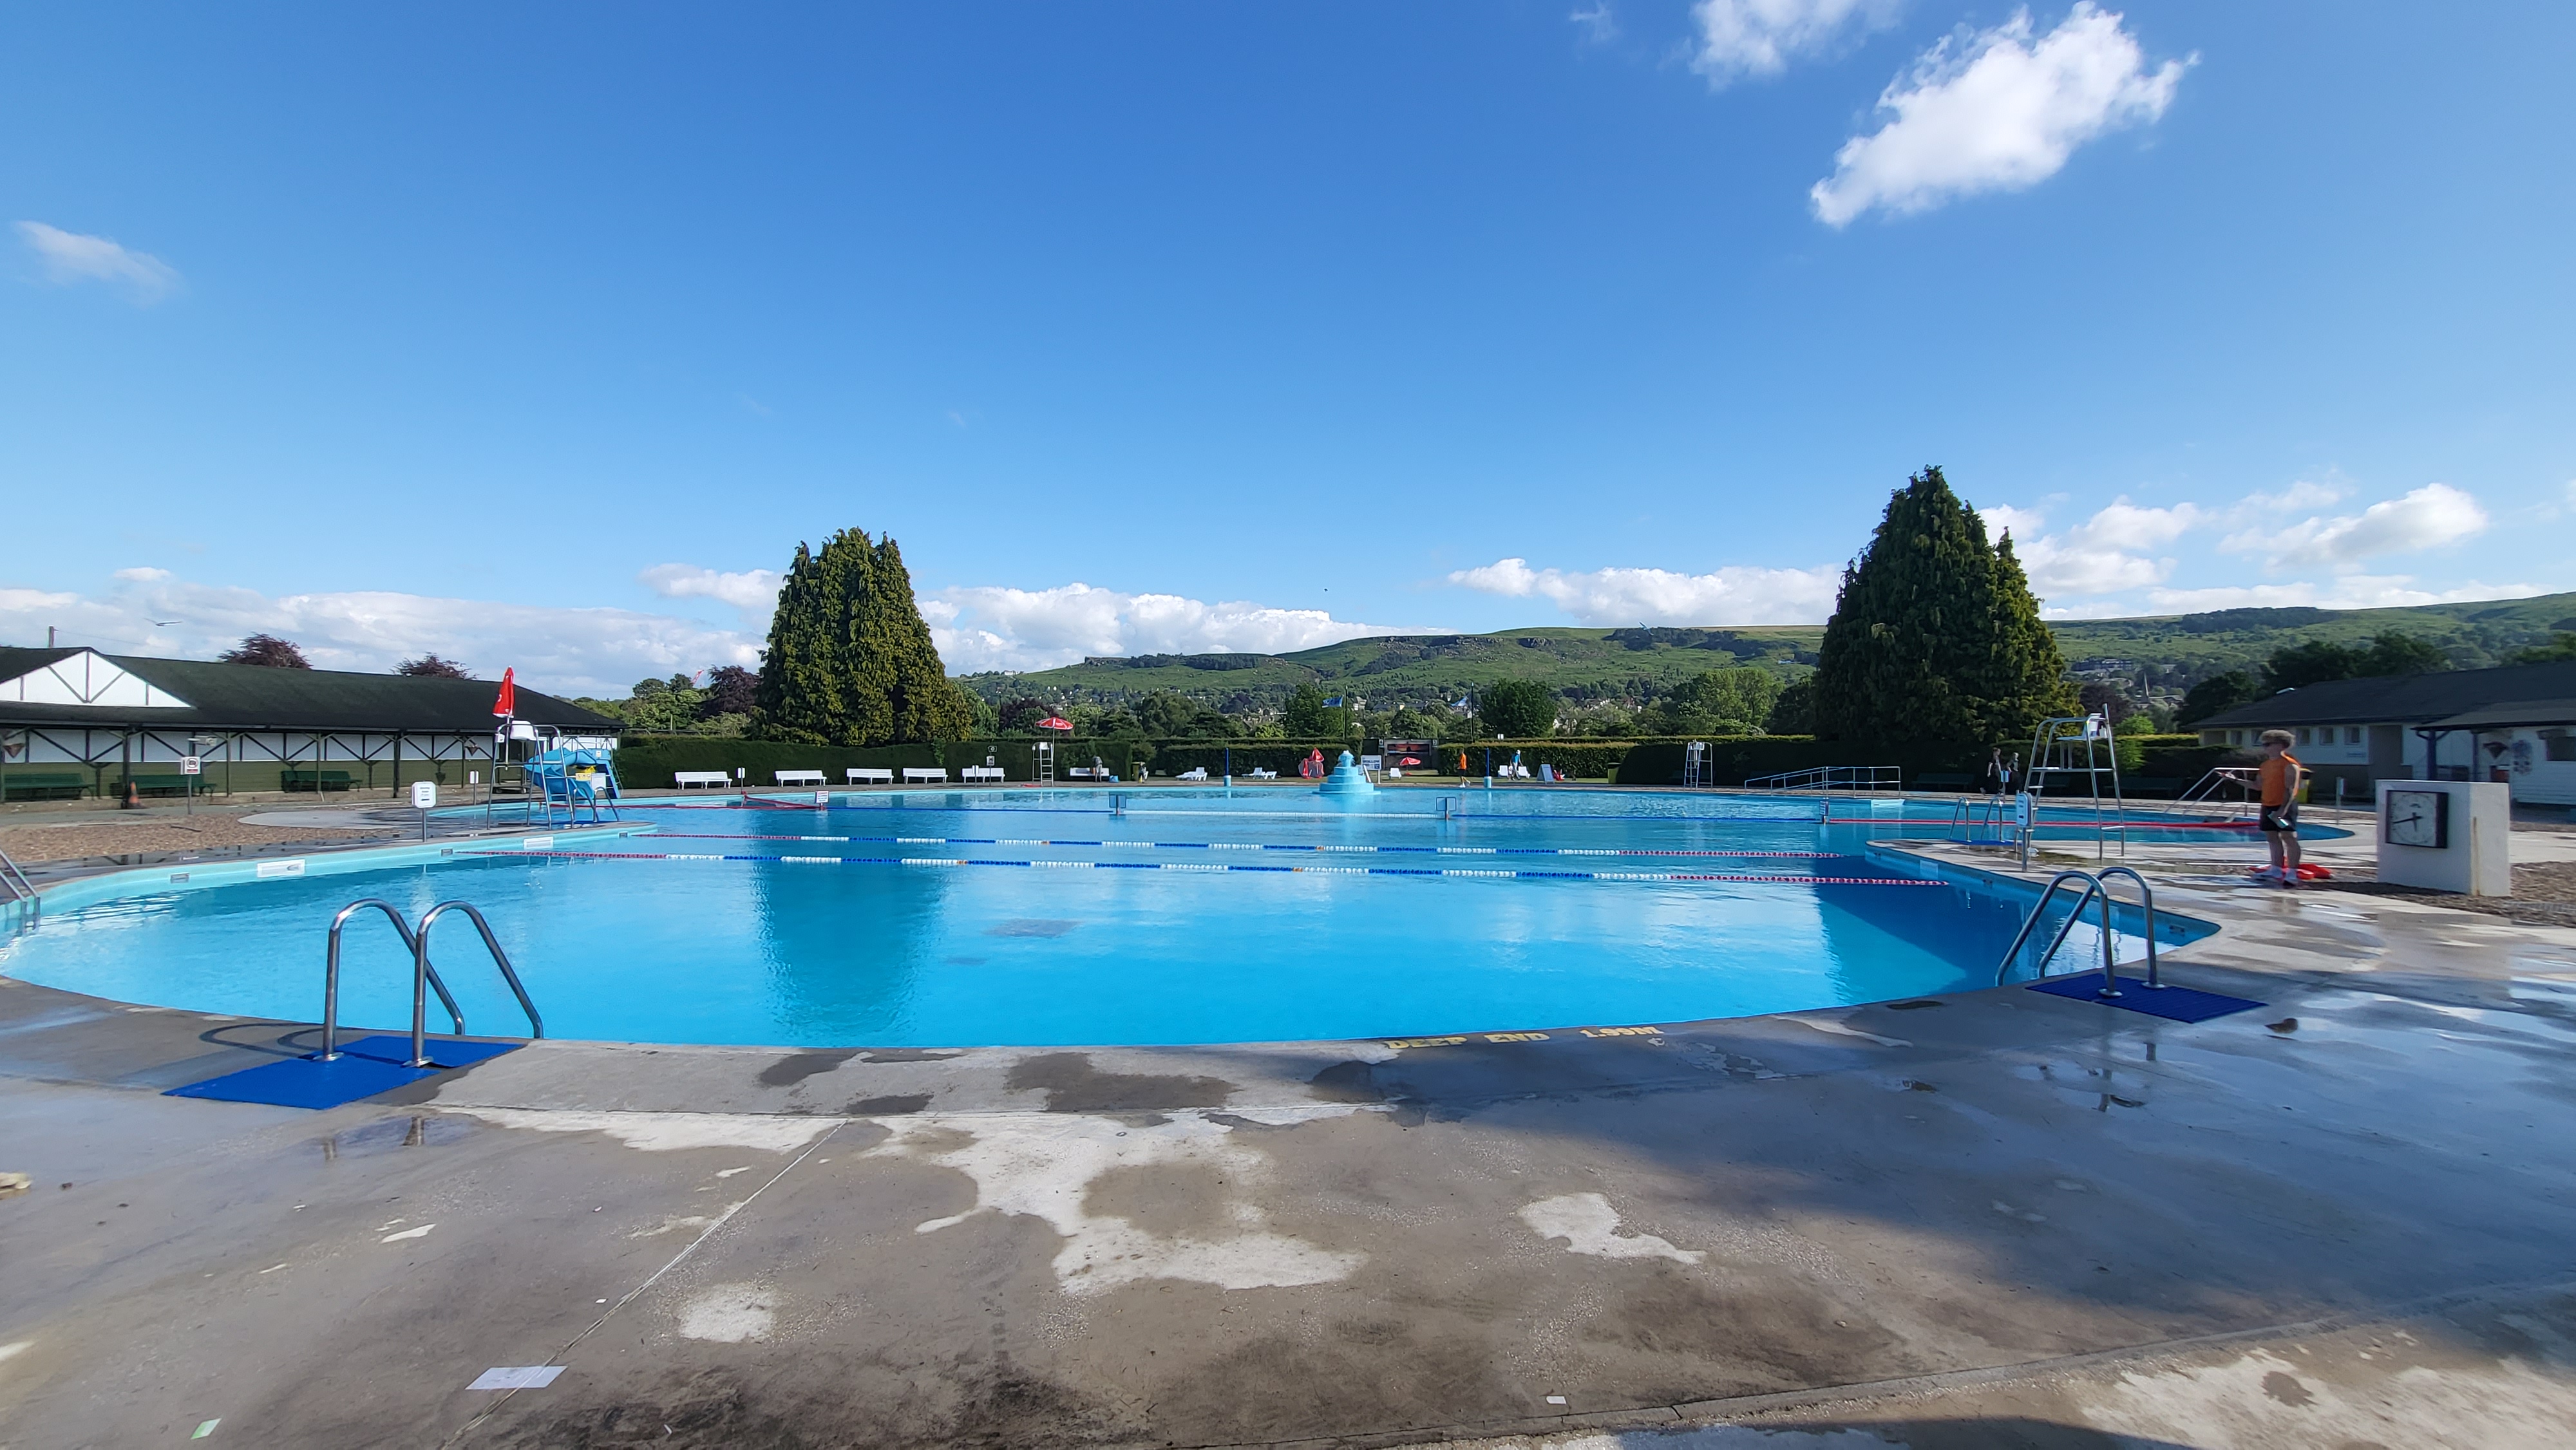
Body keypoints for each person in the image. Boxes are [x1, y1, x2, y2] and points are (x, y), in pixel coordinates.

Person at [2257, 728, 2304, 886]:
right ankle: (2276, 868)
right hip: (2268, 804)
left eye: (2268, 744)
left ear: (2280, 745)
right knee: (2272, 837)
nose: (2265, 747)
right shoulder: (2265, 765)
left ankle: (2292, 873)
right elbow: (2258, 785)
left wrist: (2283, 810)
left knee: (2289, 837)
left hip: (2283, 806)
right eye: (2264, 744)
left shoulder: (2290, 765)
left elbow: (2290, 789)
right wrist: (2235, 780)